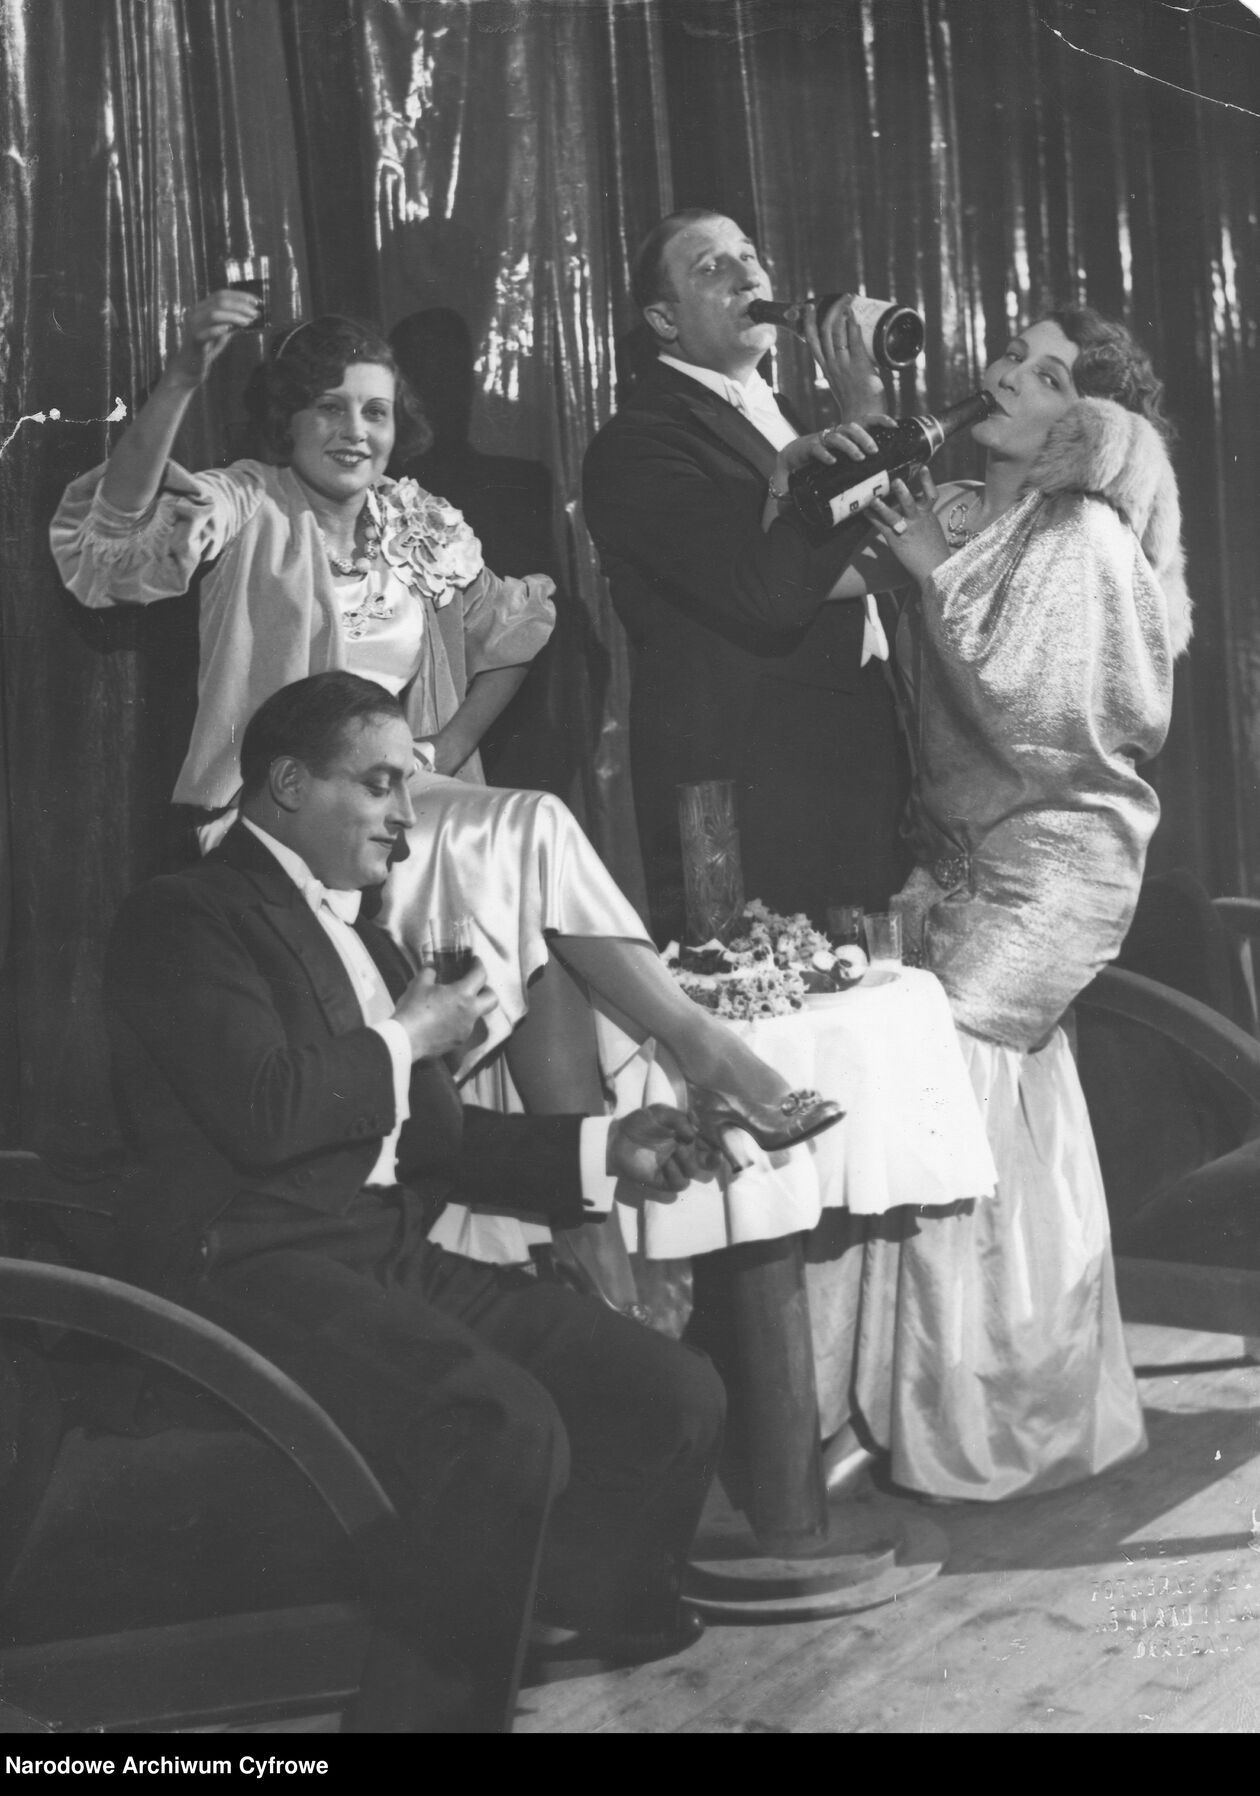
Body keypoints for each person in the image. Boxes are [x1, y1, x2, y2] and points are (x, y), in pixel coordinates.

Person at [48, 296, 842, 1296]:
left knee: (536, 920)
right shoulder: (247, 503)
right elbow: (116, 543)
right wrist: (175, 382)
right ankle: (700, 1056)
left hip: (403, 814)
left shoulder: (413, 520)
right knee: (533, 828)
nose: (355, 431)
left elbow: (516, 630)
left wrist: (441, 747)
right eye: (330, 408)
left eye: (376, 412)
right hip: (283, 828)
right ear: (288, 419)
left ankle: (588, 1243)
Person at [102, 670, 728, 1733]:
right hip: (251, 1266)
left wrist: (607, 1148)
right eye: (380, 782)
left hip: (382, 1254)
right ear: (289, 785)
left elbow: (439, 1142)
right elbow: (265, 1111)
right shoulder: (185, 915)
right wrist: (408, 1034)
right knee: (501, 1426)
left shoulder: (367, 930)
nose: (405, 812)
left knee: (671, 1389)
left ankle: (571, 1610)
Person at [817, 305, 1192, 1500]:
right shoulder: (975, 509)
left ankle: (986, 1416)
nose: (1007, 377)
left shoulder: (1083, 530)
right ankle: (956, 1398)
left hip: (1054, 857)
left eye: (1048, 374)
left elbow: (1046, 712)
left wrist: (932, 569)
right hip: (966, 849)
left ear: (1088, 420)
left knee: (959, 1079)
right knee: (982, 1103)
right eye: (1013, 355)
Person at [582, 208, 911, 942]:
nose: (748, 277)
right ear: (664, 320)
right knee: (763, 991)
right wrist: (864, 411)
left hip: (850, 748)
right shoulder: (638, 444)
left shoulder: (783, 415)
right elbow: (766, 594)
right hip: (747, 775)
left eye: (750, 256)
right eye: (712, 267)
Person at [388, 306, 568, 792]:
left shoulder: (520, 485)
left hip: (509, 738)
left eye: (453, 370)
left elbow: (540, 629)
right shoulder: (379, 503)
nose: (442, 390)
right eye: (424, 372)